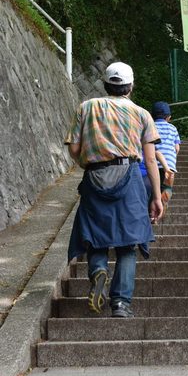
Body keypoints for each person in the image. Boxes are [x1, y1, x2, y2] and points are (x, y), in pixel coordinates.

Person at [65, 61, 163, 318]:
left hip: (95, 177)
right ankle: (120, 303)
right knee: (128, 243)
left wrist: (88, 163)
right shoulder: (142, 114)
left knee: (96, 235)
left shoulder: (86, 107)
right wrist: (156, 194)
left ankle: (98, 270)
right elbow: (151, 159)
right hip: (129, 177)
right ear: (131, 86)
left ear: (105, 84)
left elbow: (74, 148)